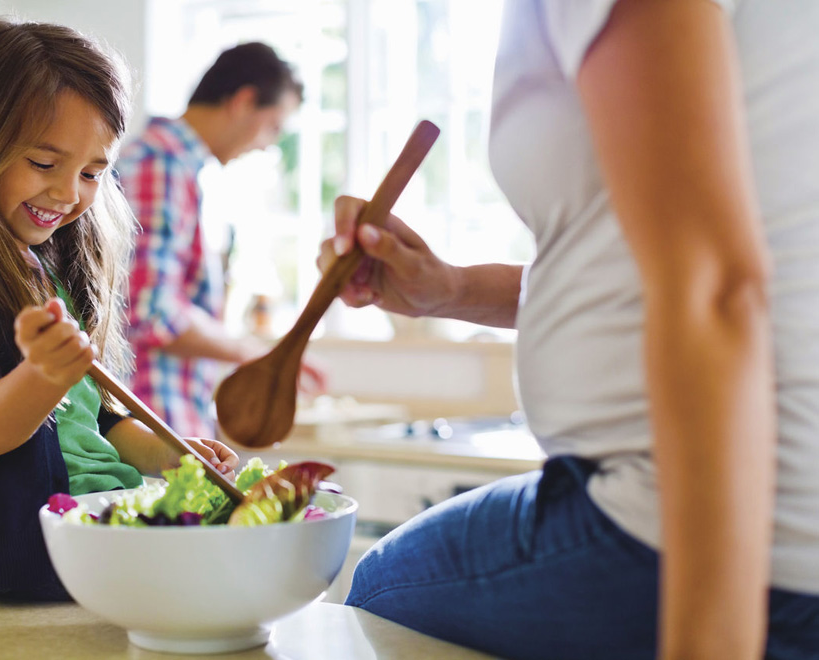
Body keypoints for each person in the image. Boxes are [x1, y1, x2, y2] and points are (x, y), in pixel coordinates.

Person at [319, 1, 819, 658]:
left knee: (383, 596)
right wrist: (453, 289)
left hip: (719, 527)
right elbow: (642, 271)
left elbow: (714, 287)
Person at [0, 18, 239, 601]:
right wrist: (44, 375)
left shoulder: (52, 266)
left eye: (93, 172)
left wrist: (173, 455)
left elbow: (96, 424)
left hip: (100, 541)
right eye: (44, 164)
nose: (70, 194)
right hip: (29, 567)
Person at [117, 42, 326, 440]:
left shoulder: (176, 166)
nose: (267, 144)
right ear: (244, 101)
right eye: (273, 126)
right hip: (153, 419)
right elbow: (152, 310)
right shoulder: (160, 165)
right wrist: (253, 353)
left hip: (169, 417)